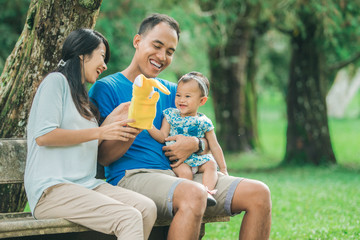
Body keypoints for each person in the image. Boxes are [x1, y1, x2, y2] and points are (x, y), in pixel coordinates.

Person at [89, 14, 271, 240]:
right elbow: (104, 158)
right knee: (194, 194)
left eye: (170, 51)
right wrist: (133, 125)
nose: (162, 56)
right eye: (157, 46)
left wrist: (195, 144)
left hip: (181, 175)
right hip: (132, 176)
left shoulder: (176, 91)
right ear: (137, 41)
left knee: (259, 194)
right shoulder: (107, 88)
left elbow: (205, 137)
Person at [24, 28, 157, 240]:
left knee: (147, 208)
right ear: (82, 54)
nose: (104, 65)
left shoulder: (83, 101)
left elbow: (87, 140)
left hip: (87, 185)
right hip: (51, 191)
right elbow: (44, 136)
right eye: (102, 56)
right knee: (128, 217)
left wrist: (126, 117)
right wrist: (101, 130)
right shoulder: (56, 82)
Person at [147, 71, 228, 206]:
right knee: (185, 173)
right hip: (179, 160)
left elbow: (214, 146)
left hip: (198, 159)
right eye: (178, 95)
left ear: (202, 101)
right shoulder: (171, 115)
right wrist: (148, 124)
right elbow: (162, 137)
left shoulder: (204, 121)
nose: (181, 100)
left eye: (187, 96)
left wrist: (223, 169)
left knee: (211, 165)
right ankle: (191, 197)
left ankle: (208, 193)